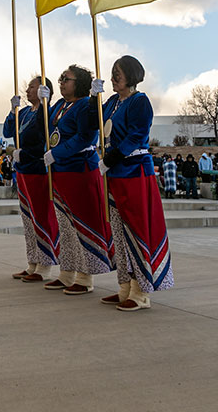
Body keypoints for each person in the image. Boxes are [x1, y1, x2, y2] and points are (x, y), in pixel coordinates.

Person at [91, 56, 172, 311]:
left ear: (131, 75)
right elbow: (97, 124)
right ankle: (124, 286)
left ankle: (141, 291)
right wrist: (94, 98)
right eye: (113, 73)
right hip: (115, 174)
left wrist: (113, 157)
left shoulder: (140, 101)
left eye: (118, 73)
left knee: (137, 232)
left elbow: (137, 134)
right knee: (119, 231)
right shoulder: (113, 102)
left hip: (134, 171)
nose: (114, 78)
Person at [41, 64, 114, 295]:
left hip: (80, 170)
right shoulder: (60, 105)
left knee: (83, 225)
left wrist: (58, 153)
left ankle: (85, 276)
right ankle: (67, 272)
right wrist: (45, 102)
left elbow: (86, 137)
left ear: (79, 83)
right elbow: (46, 129)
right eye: (61, 78)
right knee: (66, 226)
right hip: (60, 172)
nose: (62, 81)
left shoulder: (84, 105)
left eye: (67, 79)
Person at [4, 75, 59, 281]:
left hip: (38, 169)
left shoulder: (49, 113)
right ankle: (32, 261)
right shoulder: (25, 112)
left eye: (32, 87)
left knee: (40, 217)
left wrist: (46, 105)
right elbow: (8, 131)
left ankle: (45, 265)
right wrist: (12, 111)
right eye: (27, 87)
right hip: (23, 170)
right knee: (28, 218)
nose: (27, 91)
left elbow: (43, 137)